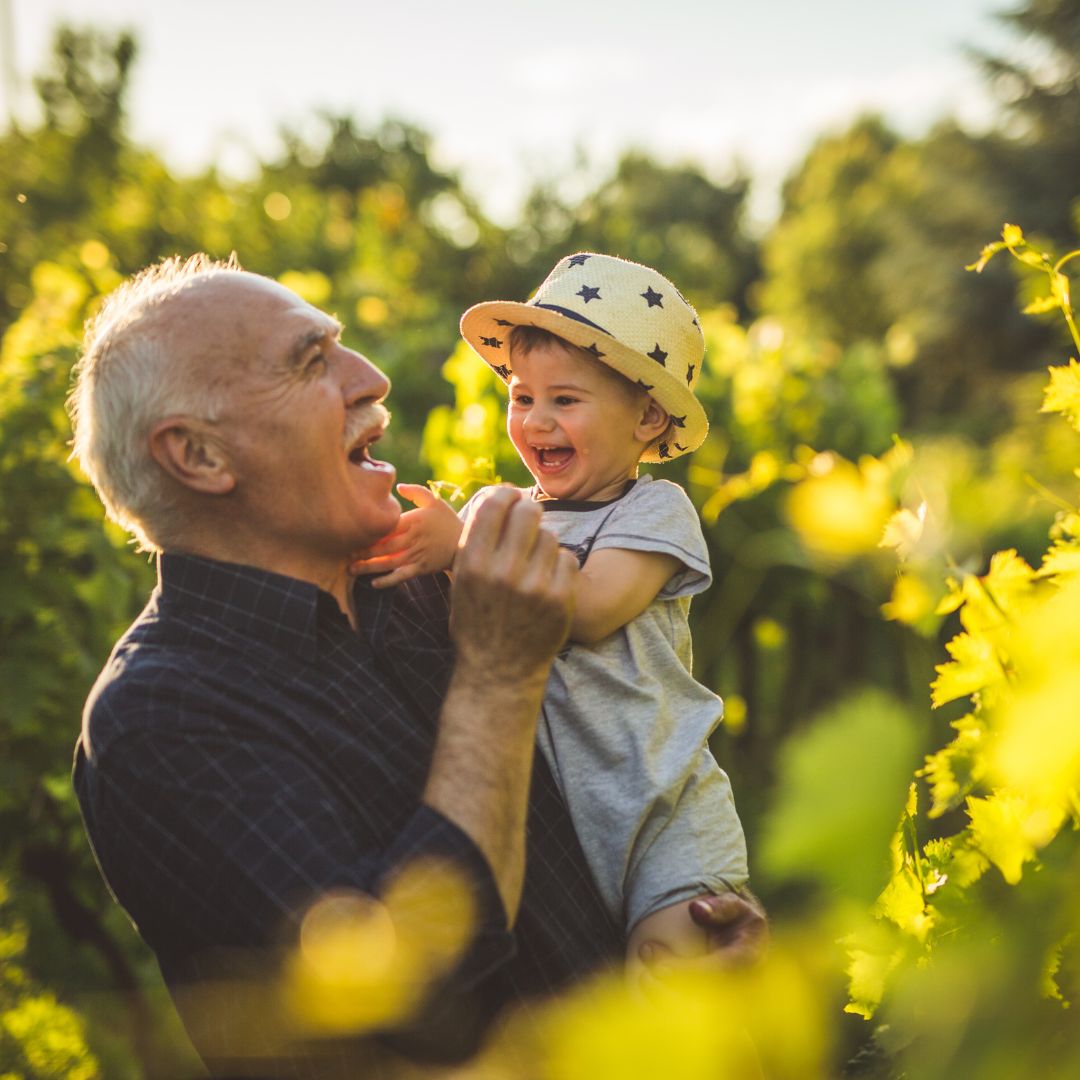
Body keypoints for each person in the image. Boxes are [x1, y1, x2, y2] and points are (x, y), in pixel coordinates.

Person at [69, 254, 766, 1078]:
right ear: (200, 456)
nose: (373, 380)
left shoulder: (423, 590)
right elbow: (400, 989)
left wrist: (695, 906)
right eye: (311, 362)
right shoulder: (162, 718)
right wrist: (499, 676)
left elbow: (621, 747)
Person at [352, 252, 750, 986]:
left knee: (676, 987)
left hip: (662, 817)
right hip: (563, 828)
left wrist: (463, 548)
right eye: (520, 396)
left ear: (648, 417)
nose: (535, 421)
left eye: (565, 400)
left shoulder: (652, 511)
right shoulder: (497, 513)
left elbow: (593, 608)